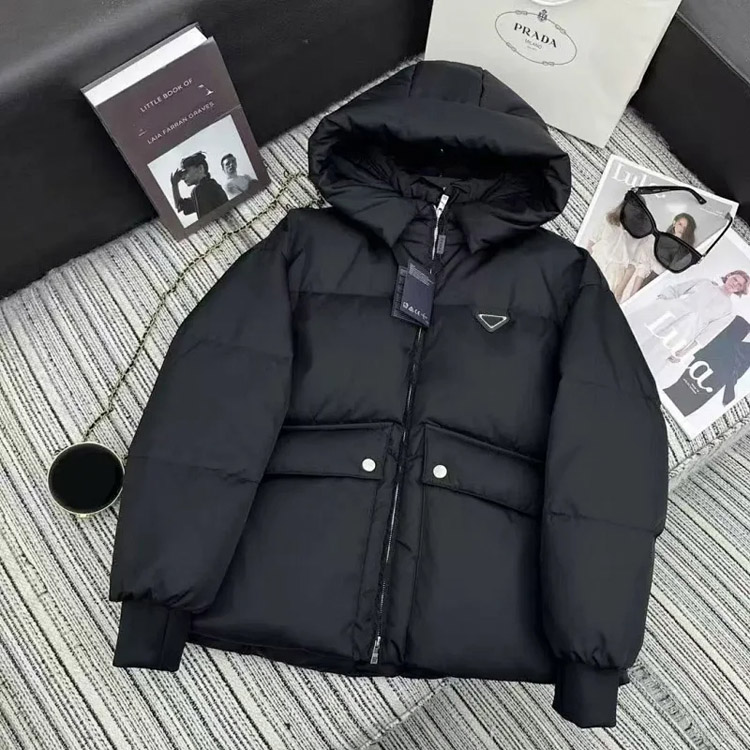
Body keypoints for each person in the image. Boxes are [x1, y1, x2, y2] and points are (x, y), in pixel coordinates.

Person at [629, 270, 750, 376]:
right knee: (636, 335)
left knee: (651, 355)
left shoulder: (728, 310)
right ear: (729, 275)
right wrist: (662, 302)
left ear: (740, 290)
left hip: (682, 333)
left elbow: (708, 334)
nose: (735, 284)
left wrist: (685, 352)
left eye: (739, 285)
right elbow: (675, 289)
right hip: (666, 315)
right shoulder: (705, 283)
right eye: (735, 279)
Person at [664, 316, 750, 416]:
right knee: (678, 391)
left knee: (686, 404)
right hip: (706, 360)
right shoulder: (739, 322)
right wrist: (685, 353)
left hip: (713, 377)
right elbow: (708, 336)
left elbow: (738, 372)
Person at [617, 212, 698, 303]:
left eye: (685, 227)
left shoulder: (686, 250)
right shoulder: (663, 238)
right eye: (680, 224)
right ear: (674, 223)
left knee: (644, 264)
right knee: (641, 261)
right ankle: (629, 296)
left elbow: (673, 266)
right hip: (650, 268)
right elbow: (652, 254)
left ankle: (630, 296)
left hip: (662, 275)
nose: (681, 229)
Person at [587, 199, 652, 301]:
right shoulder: (608, 220)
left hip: (615, 275)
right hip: (596, 262)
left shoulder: (640, 235)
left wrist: (619, 290)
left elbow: (632, 266)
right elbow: (592, 241)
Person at [171, 152, 229, 219]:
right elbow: (180, 206)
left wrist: (174, 185)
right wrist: (174, 185)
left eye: (186, 171)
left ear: (200, 168)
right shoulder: (212, 186)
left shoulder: (200, 190)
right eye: (182, 174)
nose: (183, 177)